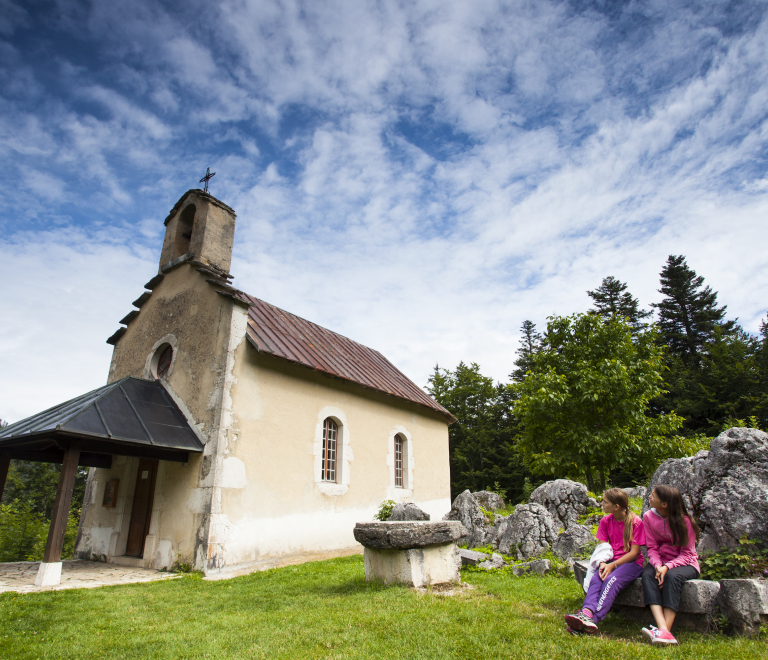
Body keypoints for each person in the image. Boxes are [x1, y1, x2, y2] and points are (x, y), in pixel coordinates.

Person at [565, 488, 645, 634]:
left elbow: (634, 553)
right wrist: (603, 564)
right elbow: (603, 548)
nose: (602, 504)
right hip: (609, 561)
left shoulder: (635, 522)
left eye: (605, 502)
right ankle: (586, 612)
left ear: (616, 506)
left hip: (631, 564)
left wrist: (612, 565)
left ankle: (593, 620)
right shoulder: (606, 521)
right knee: (597, 578)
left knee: (611, 581)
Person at [641, 484, 701, 645]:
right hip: (660, 561)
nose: (650, 497)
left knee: (672, 577)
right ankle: (663, 629)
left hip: (686, 564)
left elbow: (688, 553)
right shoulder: (648, 517)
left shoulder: (686, 521)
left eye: (653, 496)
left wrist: (668, 567)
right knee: (647, 575)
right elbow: (652, 548)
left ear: (665, 504)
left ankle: (663, 632)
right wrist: (658, 565)